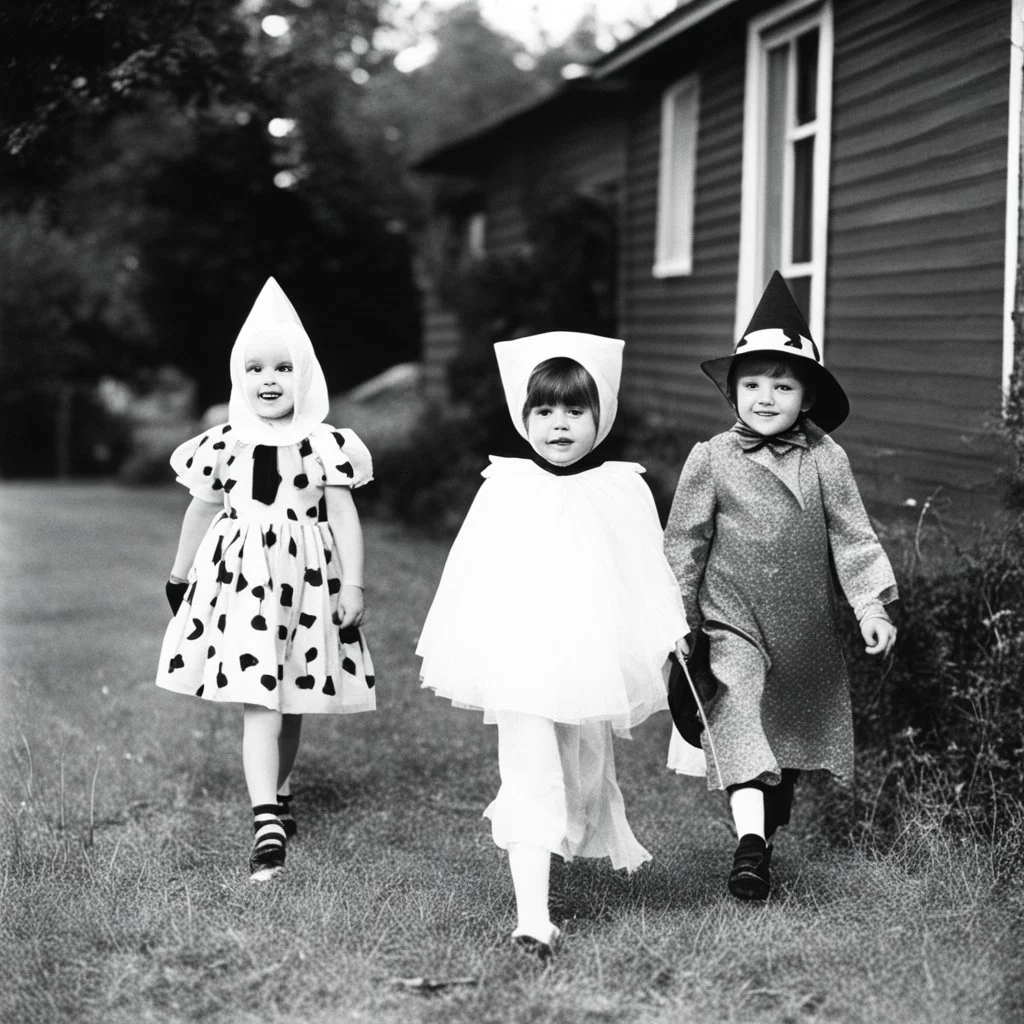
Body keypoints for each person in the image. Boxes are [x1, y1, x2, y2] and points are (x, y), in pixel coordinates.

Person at [417, 332, 688, 960]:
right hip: (522, 651)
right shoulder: (506, 486)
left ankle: (564, 841)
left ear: (601, 417)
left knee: (582, 770)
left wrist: (670, 638)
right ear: (524, 417)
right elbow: (472, 570)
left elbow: (648, 572)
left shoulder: (622, 488)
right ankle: (533, 916)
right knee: (531, 768)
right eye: (544, 411)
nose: (558, 425)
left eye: (574, 411)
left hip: (589, 653)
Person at [664, 271, 898, 901]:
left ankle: (765, 826)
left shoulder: (826, 458)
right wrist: (677, 622)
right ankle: (749, 851)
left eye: (783, 385)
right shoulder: (711, 457)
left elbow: (852, 537)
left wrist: (871, 605)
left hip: (803, 626)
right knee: (740, 709)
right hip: (729, 617)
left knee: (784, 738)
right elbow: (685, 542)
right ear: (733, 393)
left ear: (807, 397)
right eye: (753, 384)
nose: (766, 397)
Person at [155, 277, 376, 882]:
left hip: (306, 581)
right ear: (238, 375)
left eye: (283, 367)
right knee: (259, 698)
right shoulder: (223, 442)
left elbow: (342, 514)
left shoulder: (326, 443)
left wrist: (352, 586)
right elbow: (201, 508)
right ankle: (266, 823)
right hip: (243, 582)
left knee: (291, 695)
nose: (269, 379)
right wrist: (179, 575)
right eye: (255, 369)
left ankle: (279, 791)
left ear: (303, 374)